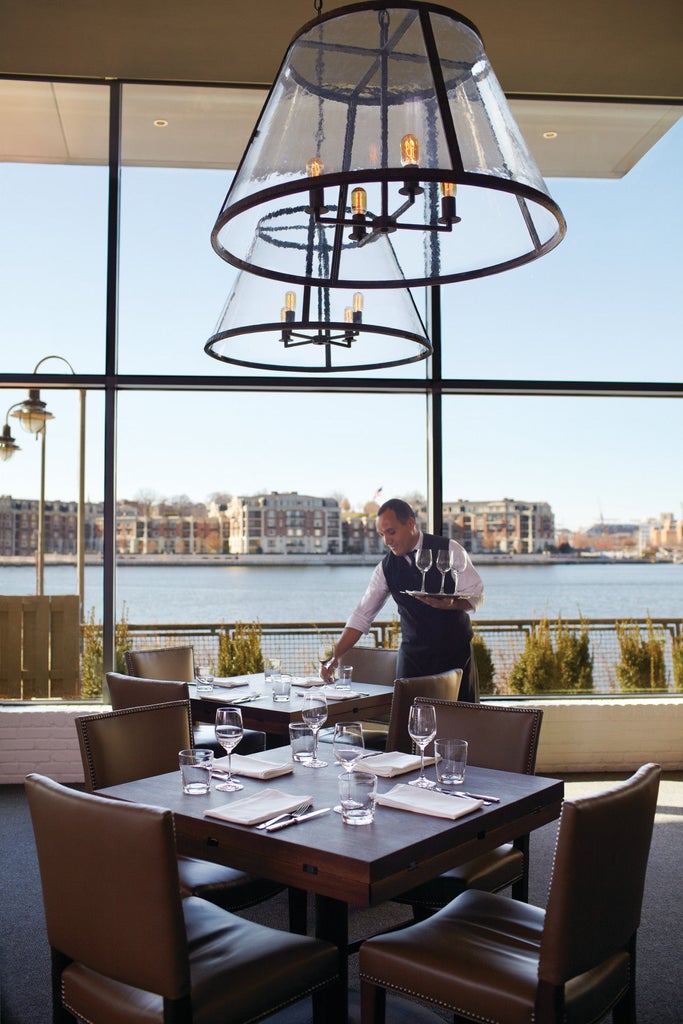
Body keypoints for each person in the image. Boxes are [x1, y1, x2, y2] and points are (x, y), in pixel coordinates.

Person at [320, 498, 484, 701]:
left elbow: (475, 593)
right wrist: (335, 656)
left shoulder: (449, 549)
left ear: (411, 524)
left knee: (460, 723)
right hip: (412, 658)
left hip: (454, 654)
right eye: (382, 535)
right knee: (408, 723)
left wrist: (453, 604)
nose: (387, 541)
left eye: (391, 532)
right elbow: (362, 615)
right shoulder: (385, 568)